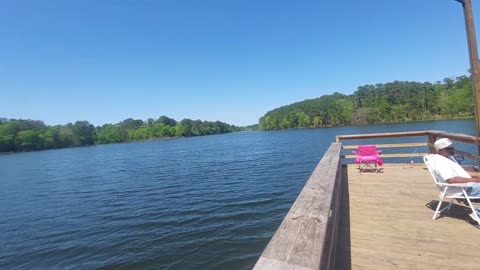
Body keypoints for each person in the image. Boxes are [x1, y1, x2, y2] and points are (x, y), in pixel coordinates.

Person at [429, 138, 480, 222]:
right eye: (449, 148)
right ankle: (477, 214)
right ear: (440, 150)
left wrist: (477, 174)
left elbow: (461, 173)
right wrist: (475, 180)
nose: (453, 149)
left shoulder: (448, 157)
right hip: (460, 189)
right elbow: (451, 180)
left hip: (465, 185)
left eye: (452, 147)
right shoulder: (440, 163)